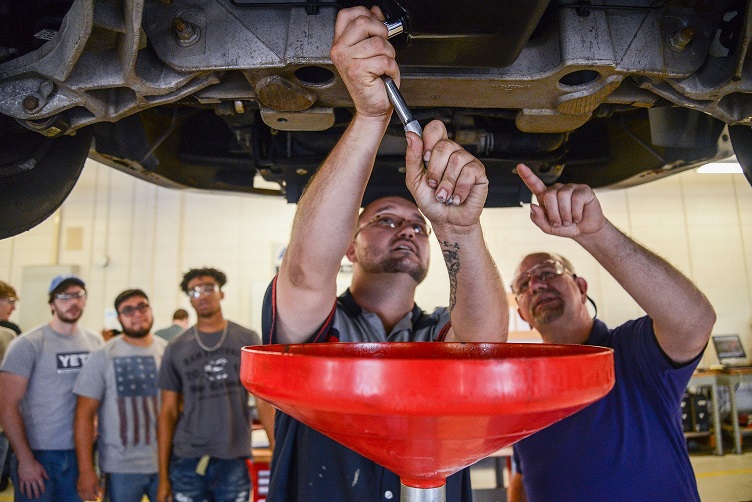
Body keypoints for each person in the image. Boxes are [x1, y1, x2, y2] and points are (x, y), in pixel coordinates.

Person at [261, 6, 508, 501]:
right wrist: (372, 115)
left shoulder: (438, 332)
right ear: (351, 244)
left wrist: (457, 229)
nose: (408, 231)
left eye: (417, 225)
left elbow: (485, 344)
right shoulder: (318, 331)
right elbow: (308, 272)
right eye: (386, 220)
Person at [507, 164, 716, 502]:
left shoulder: (633, 352)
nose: (537, 284)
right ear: (521, 314)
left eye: (548, 271)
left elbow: (695, 322)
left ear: (581, 287)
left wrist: (595, 234)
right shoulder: (523, 384)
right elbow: (521, 474)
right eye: (523, 284)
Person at [156, 267, 274, 502]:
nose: (202, 295)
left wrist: (277, 452)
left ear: (221, 294)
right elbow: (167, 412)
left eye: (209, 288)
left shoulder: (247, 340)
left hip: (233, 458)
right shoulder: (176, 347)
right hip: (187, 460)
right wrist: (163, 478)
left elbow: (264, 402)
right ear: (189, 300)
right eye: (194, 291)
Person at [0, 274, 103, 502]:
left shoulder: (95, 342)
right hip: (38, 454)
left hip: (81, 454)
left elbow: (98, 395)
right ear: (51, 303)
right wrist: (25, 460)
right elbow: (7, 406)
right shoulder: (28, 344)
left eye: (78, 295)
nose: (73, 301)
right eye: (64, 296)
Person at [74, 289, 167, 502]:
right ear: (119, 318)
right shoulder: (102, 356)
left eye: (142, 307)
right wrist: (86, 470)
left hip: (164, 463)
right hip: (120, 467)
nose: (137, 314)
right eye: (128, 310)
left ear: (150, 310)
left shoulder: (167, 352)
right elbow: (84, 415)